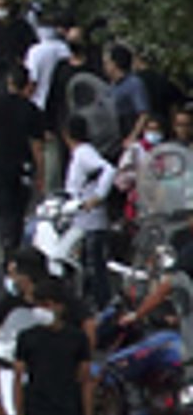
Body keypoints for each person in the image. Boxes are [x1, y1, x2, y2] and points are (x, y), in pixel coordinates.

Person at [14, 281, 94, 415]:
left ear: (60, 307)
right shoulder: (27, 338)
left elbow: (85, 381)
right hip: (35, 413)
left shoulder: (77, 339)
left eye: (46, 305)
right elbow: (18, 380)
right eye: (38, 304)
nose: (41, 309)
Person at [0, 65, 46, 253]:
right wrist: (40, 174)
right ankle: (15, 239)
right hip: (22, 166)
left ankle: (6, 241)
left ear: (9, 82)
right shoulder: (32, 110)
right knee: (18, 207)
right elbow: (37, 146)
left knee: (2, 206)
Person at [61, 117, 116, 310]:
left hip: (90, 221)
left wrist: (97, 197)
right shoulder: (80, 154)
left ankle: (103, 304)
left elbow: (108, 170)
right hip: (81, 220)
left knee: (94, 266)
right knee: (85, 264)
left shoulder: (84, 153)